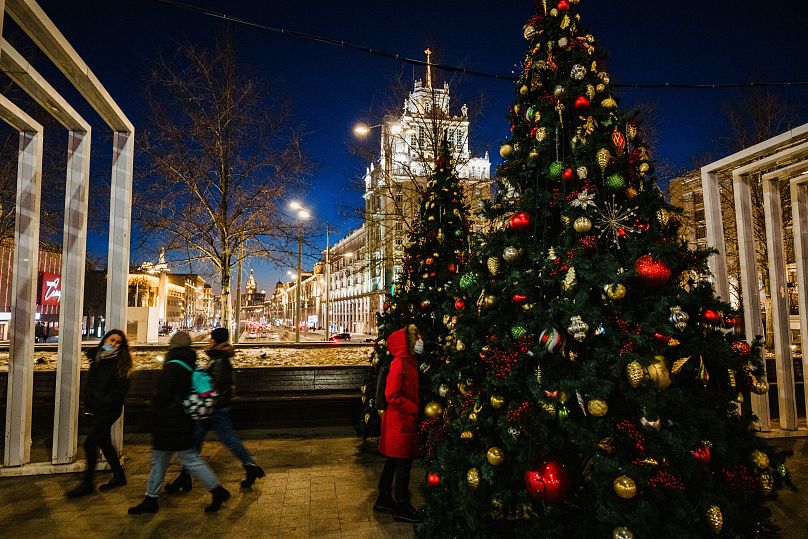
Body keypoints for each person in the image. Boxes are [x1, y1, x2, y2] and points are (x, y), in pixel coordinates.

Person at [128, 331, 230, 514]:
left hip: (169, 420)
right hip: (183, 418)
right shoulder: (190, 364)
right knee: (180, 459)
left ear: (172, 345)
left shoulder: (172, 366)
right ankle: (152, 498)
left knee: (167, 460)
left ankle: (216, 490)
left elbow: (163, 395)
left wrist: (154, 402)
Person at [164, 327, 264, 493]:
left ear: (217, 340)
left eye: (211, 338)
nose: (208, 340)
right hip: (213, 408)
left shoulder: (219, 360)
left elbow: (212, 386)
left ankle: (250, 467)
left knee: (221, 440)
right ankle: (184, 477)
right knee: (199, 442)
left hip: (215, 409)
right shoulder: (218, 358)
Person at [66, 329, 132, 498]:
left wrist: (102, 402)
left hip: (109, 409)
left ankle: (87, 483)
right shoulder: (97, 358)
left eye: (118, 342)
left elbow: (119, 391)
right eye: (111, 340)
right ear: (105, 340)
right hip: (97, 408)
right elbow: (93, 383)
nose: (114, 344)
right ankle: (119, 476)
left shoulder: (121, 364)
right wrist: (89, 403)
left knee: (89, 443)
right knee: (104, 442)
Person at [374, 324, 424, 523]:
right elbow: (391, 394)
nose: (420, 341)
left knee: (393, 460)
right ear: (407, 342)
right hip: (399, 421)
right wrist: (412, 407)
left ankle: (383, 498)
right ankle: (402, 506)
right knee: (404, 462)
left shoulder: (409, 361)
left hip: (402, 420)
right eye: (416, 338)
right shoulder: (399, 363)